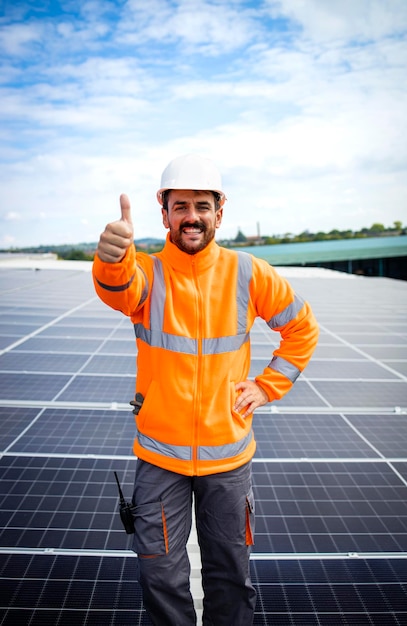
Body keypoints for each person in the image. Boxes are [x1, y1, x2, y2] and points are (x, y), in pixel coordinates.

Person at [93, 154, 319, 625]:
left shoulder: (248, 272)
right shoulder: (148, 273)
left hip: (228, 457)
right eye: (180, 206)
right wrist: (111, 259)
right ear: (164, 215)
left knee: (230, 576)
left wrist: (268, 386)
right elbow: (119, 290)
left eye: (201, 205)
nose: (191, 216)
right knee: (160, 577)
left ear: (219, 211)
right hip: (159, 457)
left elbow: (302, 328)